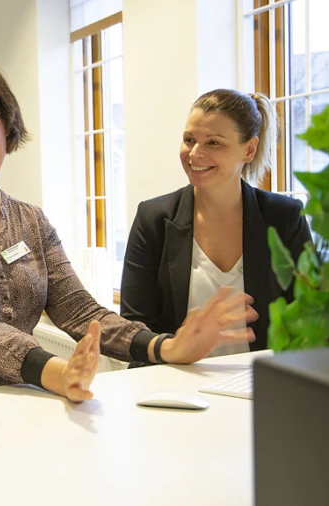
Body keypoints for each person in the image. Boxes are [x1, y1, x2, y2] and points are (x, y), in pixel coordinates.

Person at [0, 57, 258, 402]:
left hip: (9, 408)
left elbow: (79, 310)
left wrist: (164, 347)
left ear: (5, 124)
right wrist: (55, 371)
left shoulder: (31, 221)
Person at [119, 89, 312, 357]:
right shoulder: (153, 219)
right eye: (189, 139)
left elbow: (311, 319)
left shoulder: (285, 218)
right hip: (174, 386)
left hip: (262, 385)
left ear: (249, 149)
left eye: (213, 143)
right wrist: (172, 346)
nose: (194, 153)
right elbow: (132, 329)